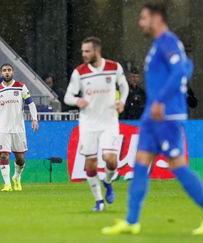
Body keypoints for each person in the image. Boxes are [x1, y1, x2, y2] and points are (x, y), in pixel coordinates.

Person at [102, 3, 203, 235]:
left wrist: (162, 100)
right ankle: (131, 221)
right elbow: (187, 66)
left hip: (166, 114)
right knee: (139, 165)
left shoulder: (168, 41)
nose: (140, 22)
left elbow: (181, 71)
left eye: (143, 18)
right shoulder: (160, 45)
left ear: (156, 19)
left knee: (177, 166)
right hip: (152, 115)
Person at [64, 37, 129, 211]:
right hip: (88, 123)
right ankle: (99, 202)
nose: (84, 54)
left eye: (87, 51)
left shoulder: (114, 67)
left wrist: (122, 101)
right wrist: (78, 101)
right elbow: (68, 96)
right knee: (91, 163)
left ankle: (107, 181)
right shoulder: (80, 72)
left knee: (111, 161)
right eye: (82, 51)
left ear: (96, 51)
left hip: (109, 122)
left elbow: (124, 87)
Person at [0, 63, 39, 192]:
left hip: (18, 128)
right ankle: (7, 184)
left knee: (20, 159)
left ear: (13, 72)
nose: (7, 72)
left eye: (9, 70)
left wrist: (34, 119)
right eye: (4, 70)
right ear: (1, 73)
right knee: (4, 155)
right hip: (2, 128)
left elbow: (31, 103)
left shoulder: (21, 87)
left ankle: (16, 177)